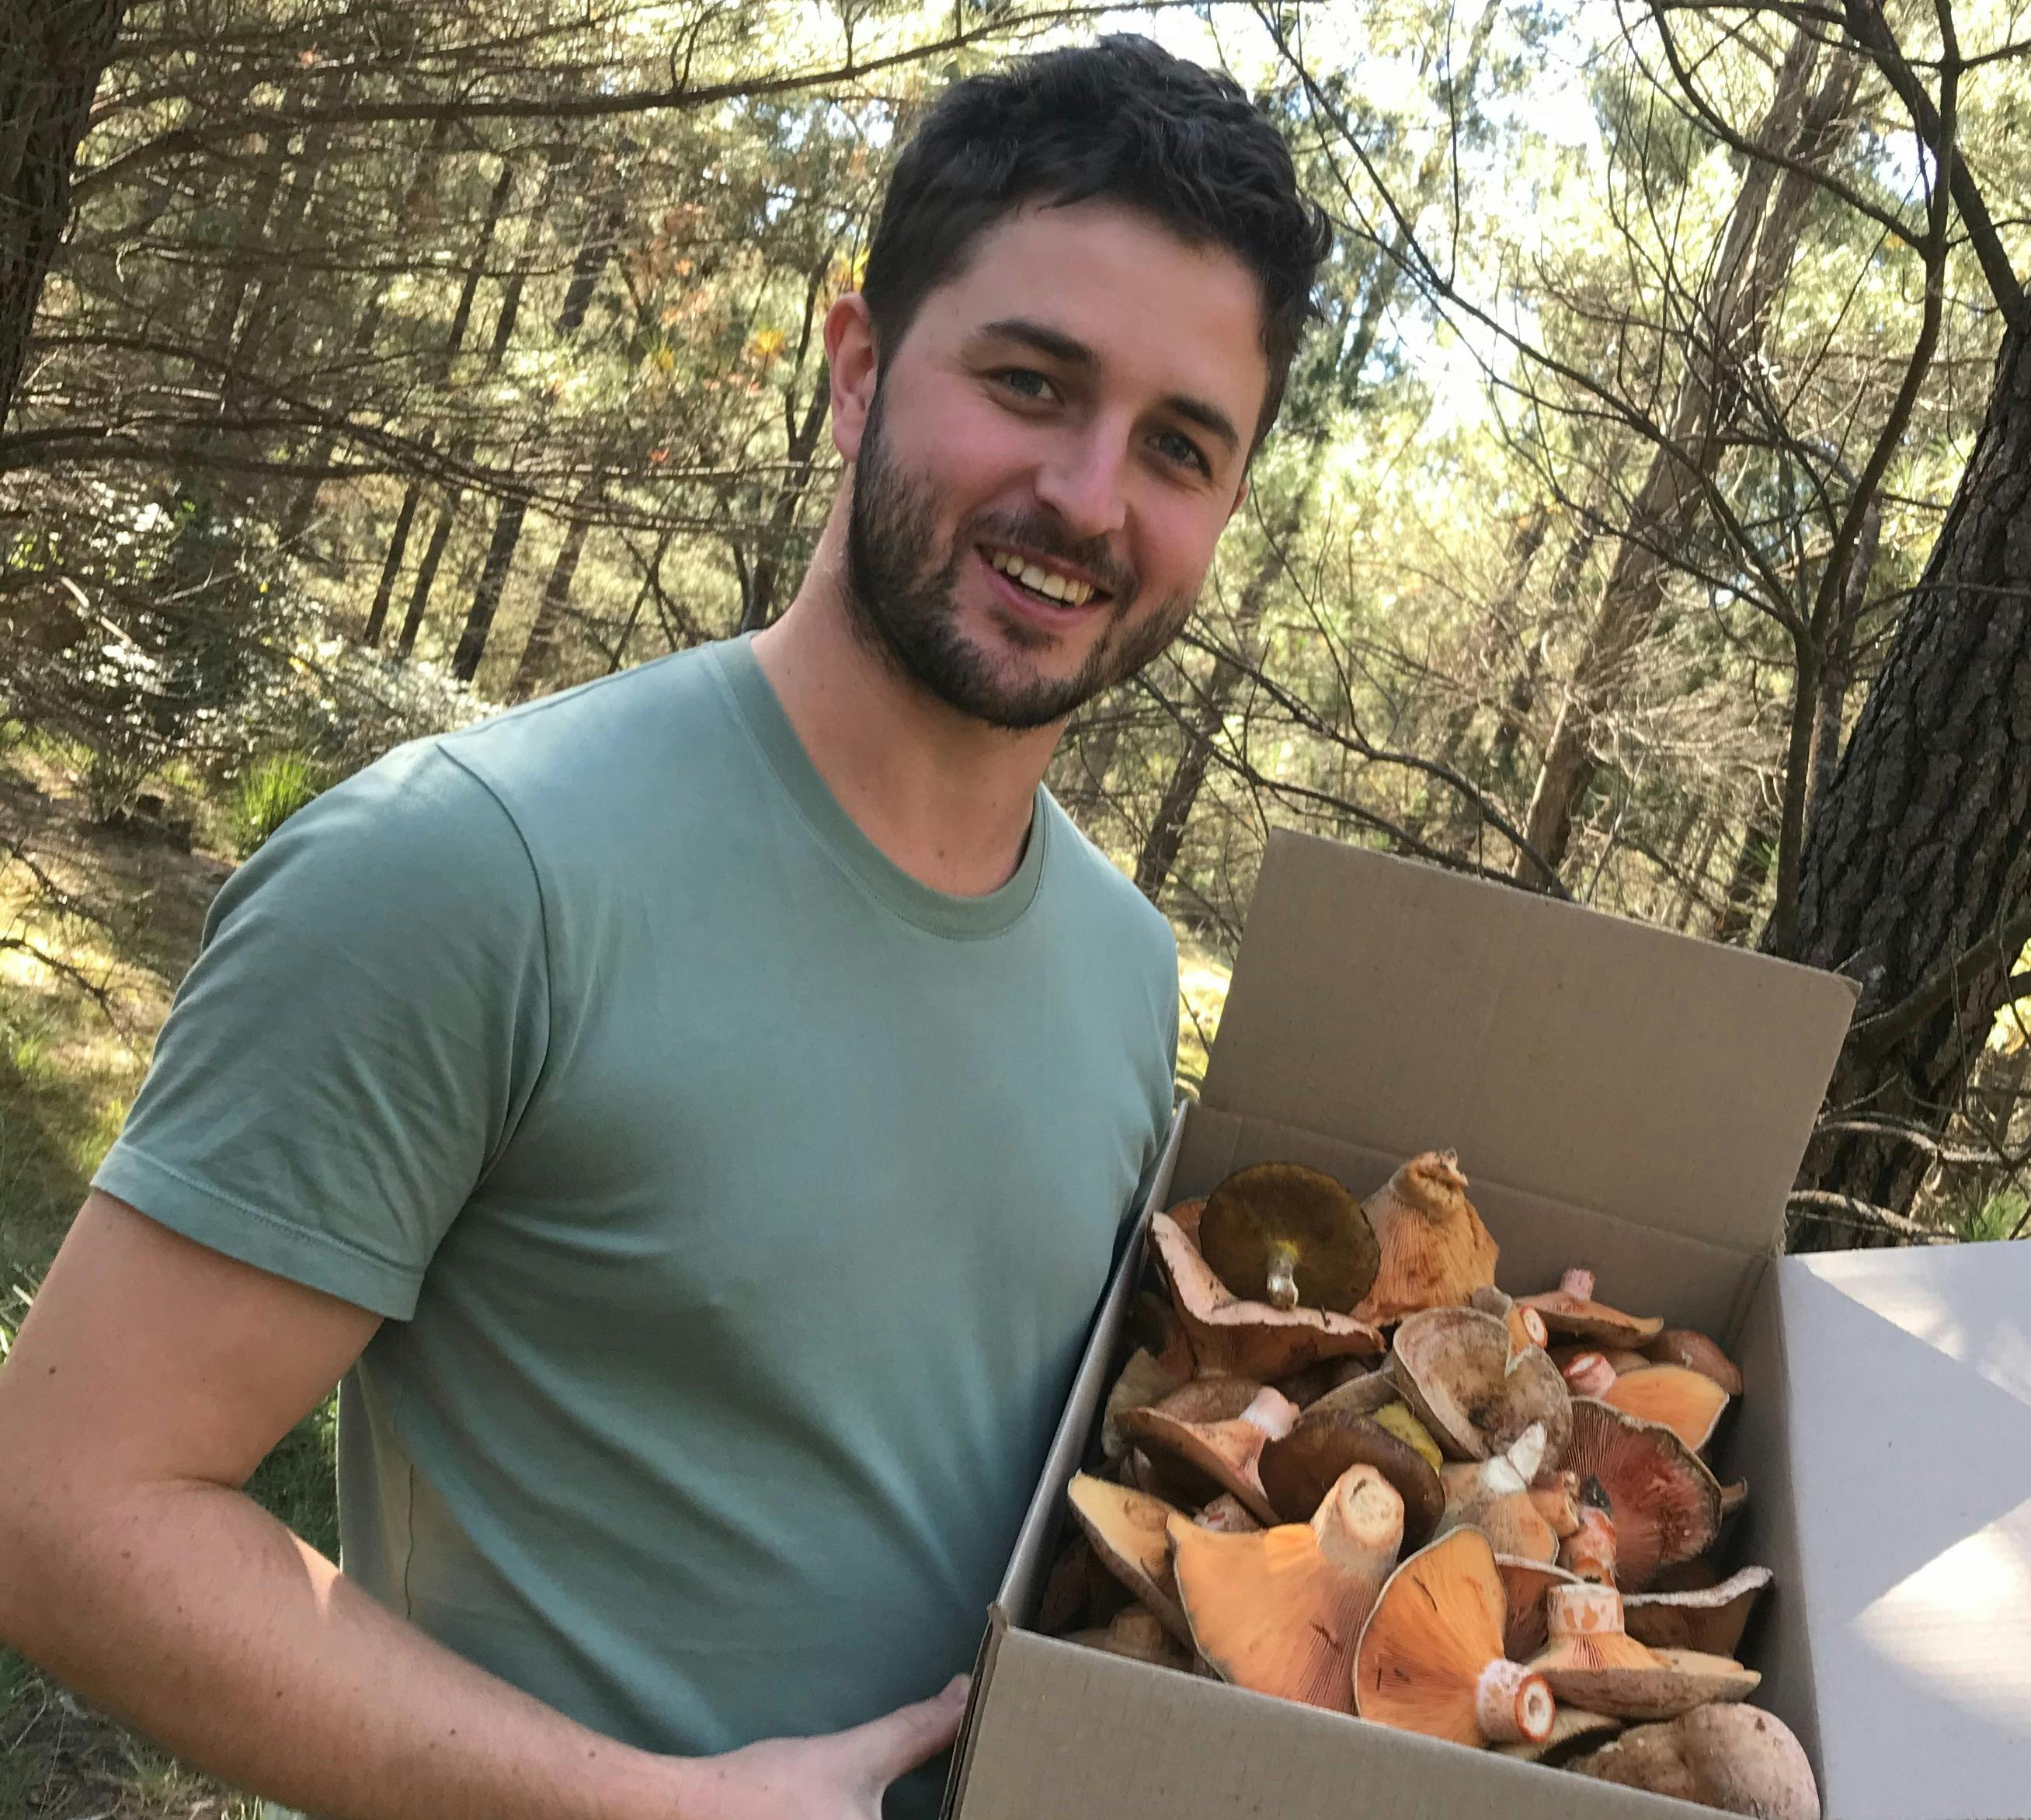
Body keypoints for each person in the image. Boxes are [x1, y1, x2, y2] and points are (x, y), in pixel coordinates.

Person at [0, 37, 1330, 1820]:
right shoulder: (470, 872)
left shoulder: (1123, 969)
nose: (1091, 498)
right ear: (856, 372)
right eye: (1029, 382)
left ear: (1226, 509)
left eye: (1178, 445)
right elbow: (66, 1509)